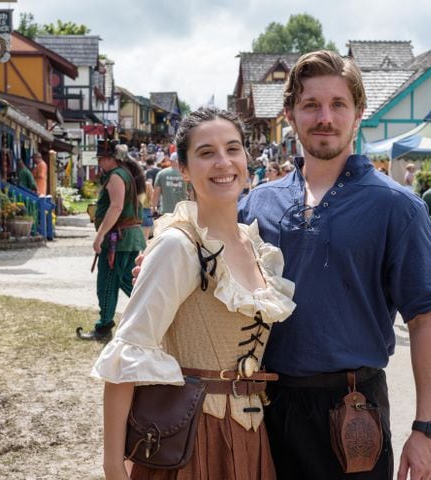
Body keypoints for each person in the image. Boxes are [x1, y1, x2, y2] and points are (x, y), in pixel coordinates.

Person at [238, 50, 431, 479]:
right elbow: (209, 263)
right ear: (290, 114)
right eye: (311, 105)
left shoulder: (397, 206)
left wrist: (427, 430)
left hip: (353, 414)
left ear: (358, 113)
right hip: (261, 411)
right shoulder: (257, 204)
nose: (325, 117)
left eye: (338, 104)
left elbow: (427, 319)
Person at [93, 107, 295, 480]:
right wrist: (113, 468)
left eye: (233, 149)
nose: (223, 162)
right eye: (206, 152)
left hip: (251, 435)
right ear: (183, 169)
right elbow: (126, 357)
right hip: (189, 438)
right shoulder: (179, 246)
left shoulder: (256, 247)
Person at [76, 140, 147, 342]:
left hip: (119, 239)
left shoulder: (116, 176)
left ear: (110, 159)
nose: (99, 162)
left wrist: (99, 236)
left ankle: (106, 326)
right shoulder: (123, 173)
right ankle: (148, 315)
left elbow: (116, 207)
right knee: (124, 280)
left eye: (101, 158)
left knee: (111, 282)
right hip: (125, 238)